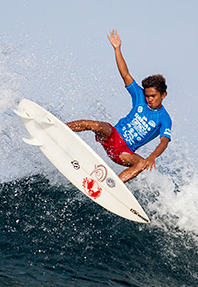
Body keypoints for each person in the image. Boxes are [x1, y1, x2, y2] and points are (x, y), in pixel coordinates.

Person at [66, 29, 172, 183]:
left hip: (124, 152)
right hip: (113, 135)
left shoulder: (164, 118)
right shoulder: (139, 96)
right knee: (96, 125)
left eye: (153, 96)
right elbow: (125, 74)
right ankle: (59, 128)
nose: (149, 99)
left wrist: (152, 157)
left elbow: (164, 142)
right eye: (147, 95)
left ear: (163, 95)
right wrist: (117, 49)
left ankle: (112, 186)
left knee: (141, 163)